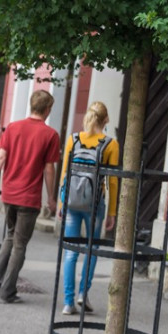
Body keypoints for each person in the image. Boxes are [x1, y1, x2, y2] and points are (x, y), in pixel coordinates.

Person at [0, 90, 60, 304]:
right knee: (19, 244)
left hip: (9, 193)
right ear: (47, 109)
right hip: (29, 197)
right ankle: (7, 292)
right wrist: (51, 198)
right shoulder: (50, 135)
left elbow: (0, 157)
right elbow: (49, 169)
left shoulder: (13, 128)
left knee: (10, 235)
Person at [59, 101, 120, 316]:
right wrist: (112, 212)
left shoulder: (73, 140)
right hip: (95, 204)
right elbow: (112, 181)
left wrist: (61, 202)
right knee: (92, 250)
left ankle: (68, 302)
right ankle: (83, 294)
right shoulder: (110, 144)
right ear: (106, 121)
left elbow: (66, 172)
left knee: (70, 252)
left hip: (72, 203)